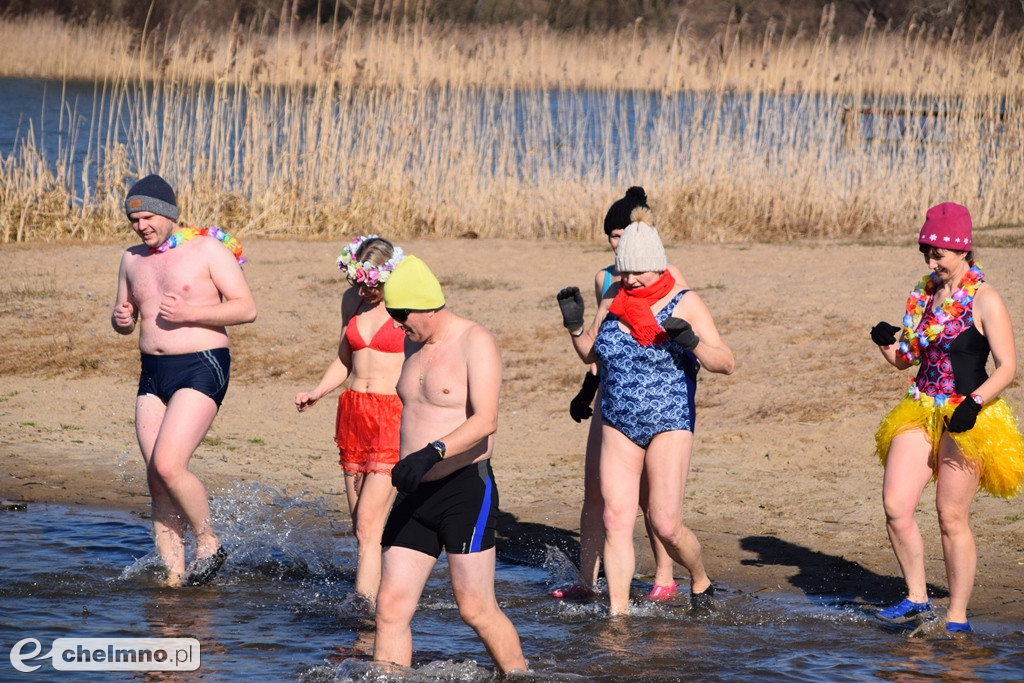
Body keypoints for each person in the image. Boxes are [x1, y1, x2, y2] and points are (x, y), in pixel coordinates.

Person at [556, 211, 734, 615]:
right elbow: (593, 355)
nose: (631, 280)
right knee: (617, 518)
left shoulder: (685, 301)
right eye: (625, 272)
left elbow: (726, 362)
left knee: (666, 524)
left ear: (657, 265)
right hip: (618, 418)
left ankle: (700, 577)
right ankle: (618, 618)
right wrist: (575, 327)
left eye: (638, 272)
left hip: (668, 419)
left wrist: (692, 343)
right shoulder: (613, 299)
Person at [870, 202, 1024, 633]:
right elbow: (907, 360)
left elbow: (1008, 366)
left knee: (950, 516)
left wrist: (974, 403)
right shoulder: (924, 294)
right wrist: (887, 346)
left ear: (963, 251)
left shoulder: (984, 297)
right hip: (920, 406)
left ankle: (956, 617)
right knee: (896, 505)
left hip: (969, 414)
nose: (931, 262)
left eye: (939, 254)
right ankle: (917, 599)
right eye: (926, 252)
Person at [372, 255, 527, 674]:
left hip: (463, 488)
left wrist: (430, 452)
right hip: (414, 492)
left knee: (474, 608)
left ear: (425, 307)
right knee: (389, 608)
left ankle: (519, 675)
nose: (398, 327)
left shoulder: (475, 341)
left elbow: (485, 420)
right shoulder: (412, 342)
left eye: (402, 317)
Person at [111, 174, 257, 587]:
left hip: (201, 364)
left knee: (169, 464)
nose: (142, 227)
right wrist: (121, 320)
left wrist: (191, 314)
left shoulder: (206, 250)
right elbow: (124, 314)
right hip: (152, 373)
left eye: (148, 218)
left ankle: (209, 542)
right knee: (156, 479)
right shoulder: (131, 258)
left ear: (169, 213)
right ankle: (175, 580)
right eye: (134, 220)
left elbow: (246, 309)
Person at [554, 186, 688, 601]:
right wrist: (587, 390)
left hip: (659, 402)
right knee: (598, 490)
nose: (616, 243)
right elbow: (605, 346)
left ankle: (665, 575)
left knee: (652, 497)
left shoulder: (670, 278)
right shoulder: (606, 280)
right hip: (613, 396)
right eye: (611, 236)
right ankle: (588, 581)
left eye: (622, 234)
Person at [295, 235, 405, 604]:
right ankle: (387, 587)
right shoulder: (351, 301)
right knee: (361, 525)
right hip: (354, 412)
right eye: (359, 282)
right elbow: (344, 358)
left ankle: (364, 607)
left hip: (392, 413)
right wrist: (317, 392)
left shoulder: (406, 304)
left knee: (367, 523)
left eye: (371, 283)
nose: (364, 289)